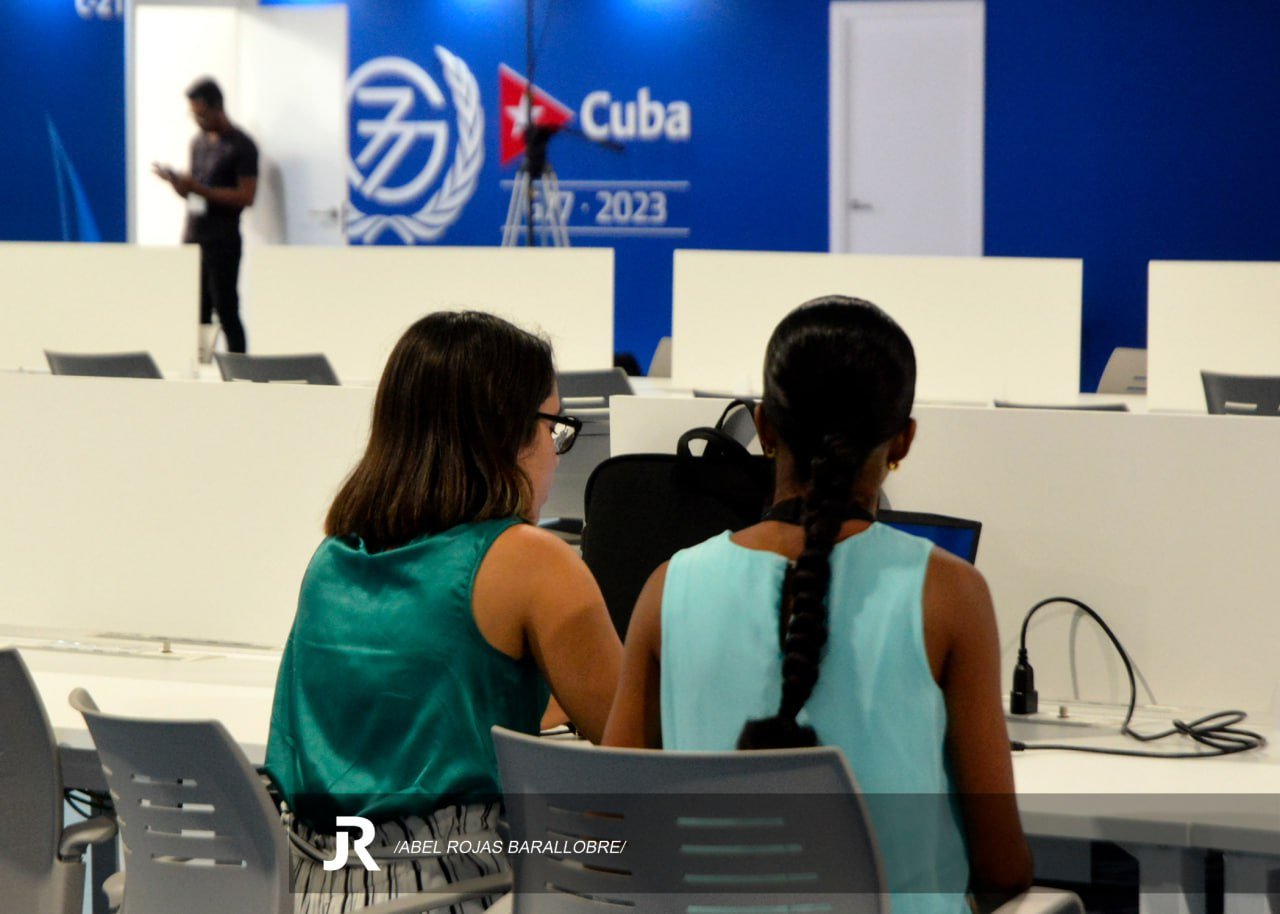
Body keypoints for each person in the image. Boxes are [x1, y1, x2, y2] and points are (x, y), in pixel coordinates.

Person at [604, 296, 1033, 914]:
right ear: (903, 440)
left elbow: (608, 829)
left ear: (765, 427)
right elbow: (1001, 867)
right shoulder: (950, 595)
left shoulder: (669, 587)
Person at [266, 311, 622, 912]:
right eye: (553, 427)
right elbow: (634, 744)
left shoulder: (331, 558)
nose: (557, 454)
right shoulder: (531, 560)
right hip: (451, 891)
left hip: (312, 889)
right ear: (508, 431)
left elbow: (411, 708)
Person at [152, 77, 256, 355]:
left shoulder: (241, 145)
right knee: (195, 309)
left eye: (201, 113)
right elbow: (197, 192)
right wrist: (181, 186)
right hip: (194, 235)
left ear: (217, 107)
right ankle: (199, 365)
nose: (197, 119)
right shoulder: (198, 143)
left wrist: (200, 189)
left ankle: (239, 370)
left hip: (222, 240)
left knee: (226, 308)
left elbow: (246, 196)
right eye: (193, 114)